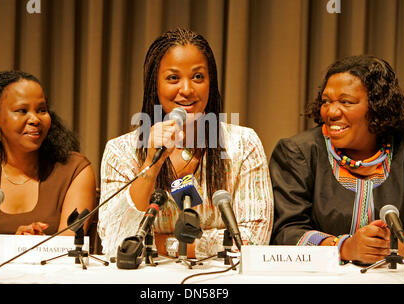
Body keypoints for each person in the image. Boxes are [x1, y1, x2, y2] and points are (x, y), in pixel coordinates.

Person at [98, 28, 273, 259]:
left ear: (211, 82)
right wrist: (151, 164)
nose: (187, 89)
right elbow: (114, 241)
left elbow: (252, 242)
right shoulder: (120, 151)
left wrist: (166, 244)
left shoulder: (243, 144)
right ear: (155, 85)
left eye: (198, 76)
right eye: (173, 78)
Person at [270, 55, 404, 265]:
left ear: (378, 107)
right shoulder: (298, 153)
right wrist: (344, 247)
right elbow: (285, 232)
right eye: (326, 101)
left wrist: (396, 246)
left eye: (346, 102)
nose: (332, 112)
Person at [0, 70, 96, 251]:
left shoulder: (74, 169)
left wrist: (28, 244)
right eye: (22, 111)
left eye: (42, 110)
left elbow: (70, 238)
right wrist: (15, 243)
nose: (35, 119)